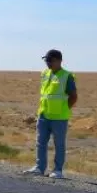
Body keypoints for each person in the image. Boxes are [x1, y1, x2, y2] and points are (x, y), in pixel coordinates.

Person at [27, 49, 77, 179]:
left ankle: (58, 170)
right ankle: (39, 168)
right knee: (40, 142)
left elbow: (73, 96)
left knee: (59, 144)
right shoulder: (45, 74)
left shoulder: (67, 76)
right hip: (44, 114)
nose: (48, 63)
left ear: (59, 61)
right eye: (46, 60)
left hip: (59, 117)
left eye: (50, 60)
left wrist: (64, 109)